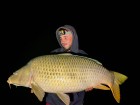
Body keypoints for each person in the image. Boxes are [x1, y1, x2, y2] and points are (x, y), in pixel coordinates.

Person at [46, 25, 93, 105]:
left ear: (74, 37)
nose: (62, 41)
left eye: (65, 37)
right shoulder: (53, 54)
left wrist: (90, 86)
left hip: (76, 102)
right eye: (60, 38)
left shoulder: (83, 55)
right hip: (53, 101)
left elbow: (90, 79)